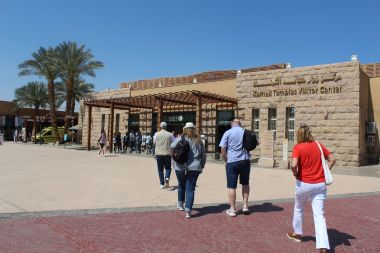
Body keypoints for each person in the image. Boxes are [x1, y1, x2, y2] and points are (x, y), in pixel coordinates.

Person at [287, 125, 335, 253]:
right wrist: (325, 171)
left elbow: (294, 164)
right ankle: (323, 246)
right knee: (319, 214)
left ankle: (297, 234)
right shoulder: (318, 145)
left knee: (298, 208)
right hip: (320, 184)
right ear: (309, 133)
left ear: (299, 134)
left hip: (303, 183)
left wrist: (295, 173)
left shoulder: (298, 147)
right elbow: (332, 159)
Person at [171, 122, 206, 218]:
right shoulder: (199, 140)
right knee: (190, 189)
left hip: (180, 166)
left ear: (185, 129)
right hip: (195, 166)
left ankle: (180, 203)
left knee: (181, 185)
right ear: (194, 129)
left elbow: (172, 147)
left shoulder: (181, 138)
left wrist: (174, 159)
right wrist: (202, 165)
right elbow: (203, 155)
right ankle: (188, 211)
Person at [219, 119, 251, 217]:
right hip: (245, 160)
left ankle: (232, 209)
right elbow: (255, 143)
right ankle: (245, 205)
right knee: (245, 183)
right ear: (240, 125)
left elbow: (223, 149)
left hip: (232, 161)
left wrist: (226, 159)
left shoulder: (228, 132)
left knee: (232, 186)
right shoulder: (246, 132)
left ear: (232, 124)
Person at [154, 122, 175, 189]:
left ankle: (161, 184)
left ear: (160, 127)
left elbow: (154, 142)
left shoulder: (156, 134)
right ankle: (167, 177)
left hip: (159, 153)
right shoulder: (170, 134)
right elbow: (174, 143)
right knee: (168, 168)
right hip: (167, 153)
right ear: (166, 127)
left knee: (160, 169)